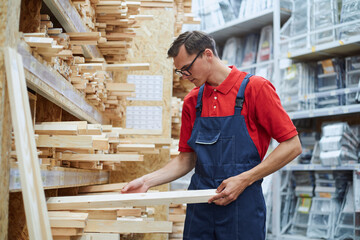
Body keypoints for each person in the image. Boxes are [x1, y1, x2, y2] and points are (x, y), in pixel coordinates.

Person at [121, 31, 302, 240]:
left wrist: (245, 179)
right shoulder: (193, 101)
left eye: (187, 69)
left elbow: (292, 145)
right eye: (181, 72)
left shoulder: (255, 89)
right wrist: (146, 181)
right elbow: (186, 160)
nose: (185, 77)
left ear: (207, 54)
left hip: (242, 206)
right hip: (201, 206)